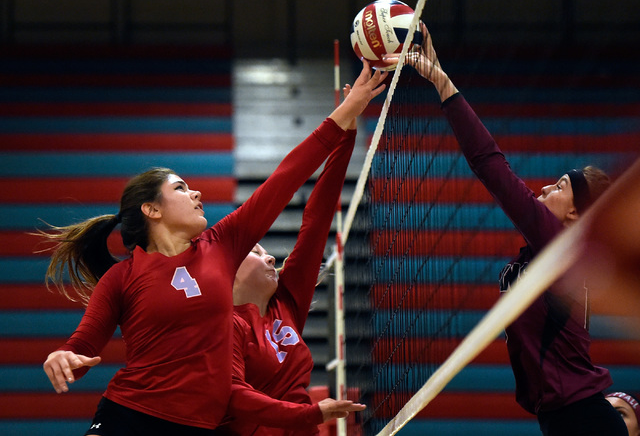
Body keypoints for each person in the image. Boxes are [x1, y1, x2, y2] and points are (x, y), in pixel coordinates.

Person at [40, 60, 387, 436]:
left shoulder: (222, 244)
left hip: (197, 428)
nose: (196, 192)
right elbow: (83, 346)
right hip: (128, 415)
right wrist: (63, 357)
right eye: (181, 188)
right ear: (152, 209)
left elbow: (287, 177)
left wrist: (346, 113)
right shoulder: (122, 277)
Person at [382, 26, 627, 435]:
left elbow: (490, 165)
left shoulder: (558, 245)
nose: (546, 187)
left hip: (583, 418)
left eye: (561, 186)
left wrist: (442, 83)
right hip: (567, 415)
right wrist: (439, 75)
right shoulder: (547, 254)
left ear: (575, 217)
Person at [221, 82, 360, 435]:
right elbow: (234, 396)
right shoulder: (226, 327)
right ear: (228, 273)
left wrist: (347, 135)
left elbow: (316, 221)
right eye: (255, 251)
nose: (270, 258)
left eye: (266, 251)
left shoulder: (287, 302)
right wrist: (309, 415)